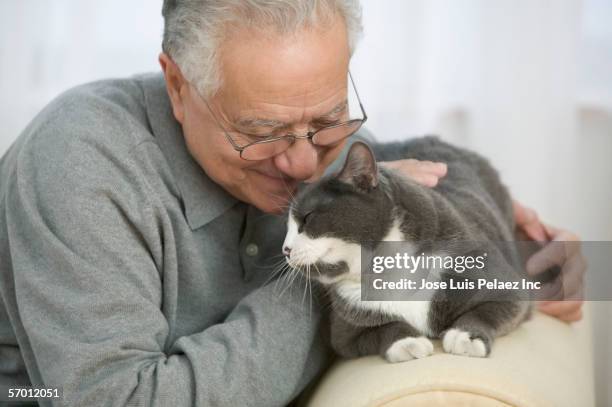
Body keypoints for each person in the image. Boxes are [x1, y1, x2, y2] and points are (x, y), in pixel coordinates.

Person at [0, 1, 584, 405]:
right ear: (178, 88)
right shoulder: (81, 164)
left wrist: (490, 214)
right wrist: (340, 268)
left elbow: (399, 160)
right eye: (261, 132)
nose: (305, 164)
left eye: (329, 121)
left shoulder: (308, 140)